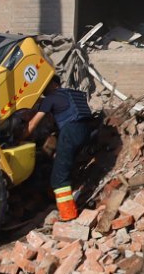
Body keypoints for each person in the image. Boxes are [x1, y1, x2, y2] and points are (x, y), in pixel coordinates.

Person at [18, 83, 97, 221]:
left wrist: (18, 139)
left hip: (70, 132)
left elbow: (33, 124)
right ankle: (65, 199)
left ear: (52, 84)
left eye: (45, 86)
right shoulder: (73, 93)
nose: (43, 90)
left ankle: (68, 214)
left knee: (58, 179)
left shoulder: (50, 98)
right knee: (65, 166)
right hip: (85, 131)